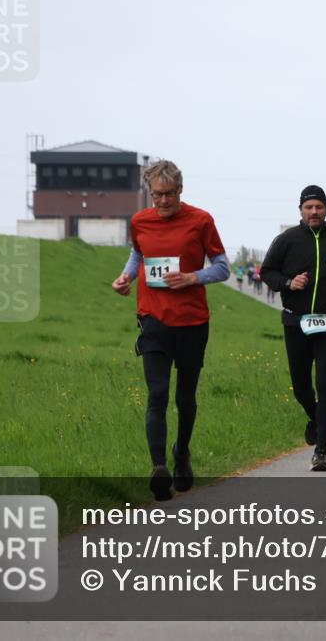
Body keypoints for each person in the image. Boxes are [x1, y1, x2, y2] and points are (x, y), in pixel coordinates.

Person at [111, 159, 230, 501]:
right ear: (150, 192)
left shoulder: (201, 220)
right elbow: (137, 255)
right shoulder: (140, 221)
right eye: (157, 195)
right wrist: (126, 277)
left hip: (192, 321)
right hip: (153, 319)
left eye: (169, 194)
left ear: (180, 190)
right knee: (158, 394)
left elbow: (222, 268)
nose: (163, 201)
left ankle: (182, 453)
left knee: (185, 396)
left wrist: (193, 277)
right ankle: (158, 467)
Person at [261, 185, 326, 472]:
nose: (314, 212)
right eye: (309, 207)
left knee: (325, 385)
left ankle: (321, 452)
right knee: (301, 386)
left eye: (319, 207)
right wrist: (288, 283)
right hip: (296, 322)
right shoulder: (286, 240)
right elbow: (267, 271)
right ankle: (314, 415)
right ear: (301, 211)